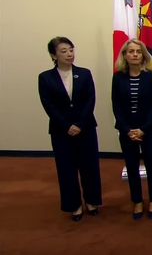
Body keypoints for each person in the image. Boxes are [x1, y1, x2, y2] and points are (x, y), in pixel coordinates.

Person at [38, 36, 102, 221]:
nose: (69, 54)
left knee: (89, 166)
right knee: (67, 168)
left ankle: (92, 201)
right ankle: (74, 205)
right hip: (61, 131)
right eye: (63, 51)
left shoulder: (84, 73)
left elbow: (91, 99)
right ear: (53, 55)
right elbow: (48, 105)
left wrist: (80, 124)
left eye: (71, 49)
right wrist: (68, 125)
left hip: (86, 128)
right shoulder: (45, 78)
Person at [112, 39, 152, 220]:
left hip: (148, 129)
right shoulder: (118, 77)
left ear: (143, 55)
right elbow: (116, 106)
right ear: (124, 55)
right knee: (132, 167)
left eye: (138, 51)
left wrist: (142, 129)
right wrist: (128, 129)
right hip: (127, 131)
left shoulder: (151, 76)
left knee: (151, 165)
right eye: (131, 51)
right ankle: (138, 201)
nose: (134, 54)